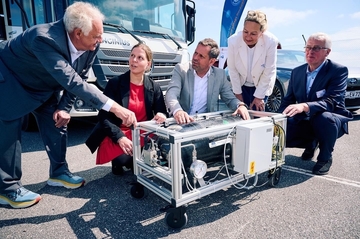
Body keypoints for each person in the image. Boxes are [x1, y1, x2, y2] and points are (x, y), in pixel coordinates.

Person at [0, 2, 137, 209]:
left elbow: (80, 77)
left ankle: (58, 173)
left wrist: (64, 107)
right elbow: (72, 81)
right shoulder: (43, 38)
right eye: (96, 36)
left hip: (45, 87)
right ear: (78, 33)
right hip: (13, 81)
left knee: (57, 122)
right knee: (9, 131)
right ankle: (8, 189)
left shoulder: (92, 44)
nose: (99, 40)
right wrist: (115, 107)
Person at [86, 43, 167, 175]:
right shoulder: (115, 83)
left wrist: (161, 115)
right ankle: (120, 162)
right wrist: (119, 137)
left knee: (164, 150)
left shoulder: (154, 87)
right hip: (118, 131)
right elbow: (103, 116)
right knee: (124, 158)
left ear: (148, 64)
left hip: (142, 132)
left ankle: (137, 161)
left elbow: (162, 112)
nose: (134, 60)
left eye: (140, 58)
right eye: (132, 56)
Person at [278, 32, 353, 175]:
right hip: (306, 117)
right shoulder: (297, 72)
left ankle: (325, 158)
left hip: (330, 118)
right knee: (283, 128)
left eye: (317, 48)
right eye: (308, 47)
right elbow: (288, 100)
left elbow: (333, 101)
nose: (310, 52)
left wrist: (305, 106)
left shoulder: (338, 71)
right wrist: (278, 119)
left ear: (327, 52)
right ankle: (311, 143)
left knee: (323, 118)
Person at [165, 38, 250, 124]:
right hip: (181, 123)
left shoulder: (219, 75)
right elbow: (171, 94)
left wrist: (240, 106)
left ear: (211, 61)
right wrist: (178, 111)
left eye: (201, 56)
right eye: (195, 53)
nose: (195, 58)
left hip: (205, 124)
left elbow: (230, 98)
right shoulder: (181, 70)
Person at [227, 10, 278, 111]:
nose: (248, 37)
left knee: (258, 116)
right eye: (245, 32)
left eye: (253, 34)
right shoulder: (233, 41)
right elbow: (232, 69)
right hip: (241, 85)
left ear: (261, 33)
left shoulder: (271, 41)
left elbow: (269, 71)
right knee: (241, 114)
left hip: (261, 84)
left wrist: (259, 97)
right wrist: (238, 93)